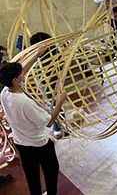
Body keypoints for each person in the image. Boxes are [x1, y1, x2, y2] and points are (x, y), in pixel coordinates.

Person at [0, 57, 69, 195]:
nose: (24, 74)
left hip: (21, 144)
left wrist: (37, 54)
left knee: (32, 177)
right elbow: (49, 121)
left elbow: (21, 71)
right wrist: (60, 101)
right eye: (21, 74)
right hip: (40, 145)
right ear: (15, 80)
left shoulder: (4, 93)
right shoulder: (25, 103)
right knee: (51, 171)